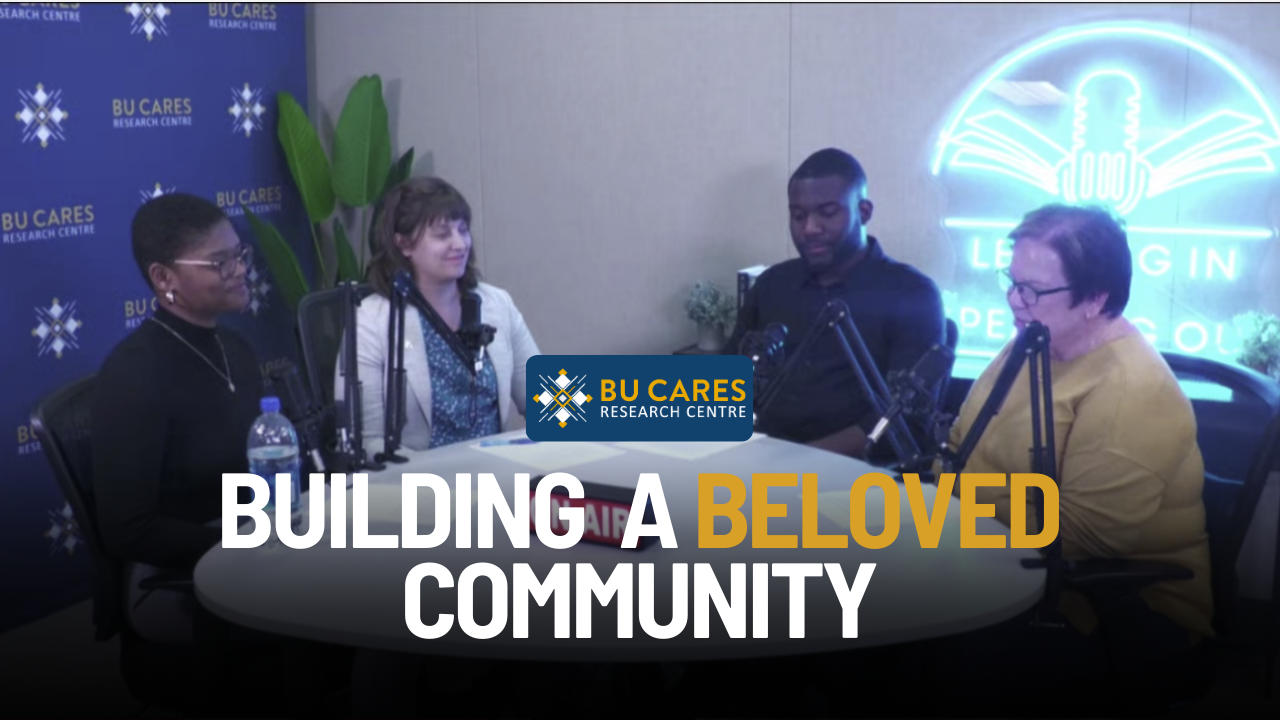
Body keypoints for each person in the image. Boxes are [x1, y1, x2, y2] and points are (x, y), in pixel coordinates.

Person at [948, 203, 1213, 708]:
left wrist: (950, 511)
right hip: (1000, 563)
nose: (1014, 300)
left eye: (1033, 290)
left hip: (1110, 607)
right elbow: (962, 443)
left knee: (915, 651)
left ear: (1095, 298)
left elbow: (1081, 535)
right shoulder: (1034, 341)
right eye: (1012, 281)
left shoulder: (1132, 390)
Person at [93, 192, 262, 644]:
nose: (240, 270)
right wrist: (243, 546)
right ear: (164, 277)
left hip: (250, 544)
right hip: (172, 579)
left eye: (240, 255)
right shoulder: (134, 374)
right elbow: (129, 531)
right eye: (220, 263)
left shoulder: (238, 351)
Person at [724, 148, 946, 461]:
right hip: (756, 461)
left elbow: (903, 421)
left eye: (827, 213)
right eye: (798, 216)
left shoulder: (912, 294)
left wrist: (793, 462)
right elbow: (727, 380)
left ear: (864, 212)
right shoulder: (772, 284)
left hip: (852, 475)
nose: (809, 228)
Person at [348, 176, 540, 453]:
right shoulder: (370, 322)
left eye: (463, 230)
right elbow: (369, 442)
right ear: (404, 244)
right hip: (418, 476)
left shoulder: (497, 304)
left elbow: (547, 400)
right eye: (442, 235)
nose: (460, 244)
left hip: (497, 469)